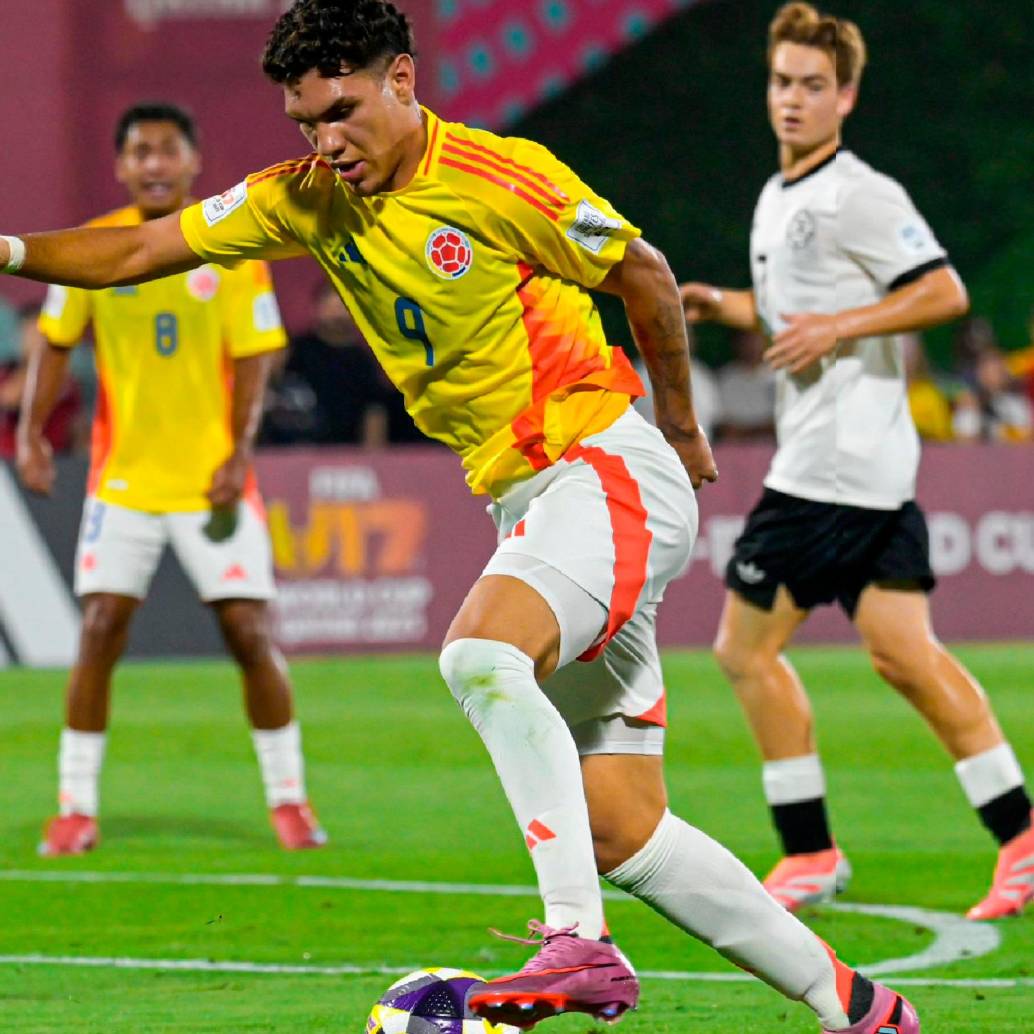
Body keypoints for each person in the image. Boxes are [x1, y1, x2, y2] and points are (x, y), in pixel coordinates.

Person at [1, 5, 920, 1031]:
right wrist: (6, 247)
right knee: (621, 827)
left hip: (600, 465)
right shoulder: (301, 201)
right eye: (306, 122)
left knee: (479, 656)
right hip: (532, 499)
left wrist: (679, 423)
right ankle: (859, 1005)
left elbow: (643, 274)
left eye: (342, 111)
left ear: (401, 78)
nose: (325, 142)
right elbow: (135, 253)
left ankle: (577, 942)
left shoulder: (497, 177)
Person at [681, 2, 1033, 923]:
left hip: (829, 471)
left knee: (742, 649)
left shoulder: (860, 193)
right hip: (868, 465)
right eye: (780, 83)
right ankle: (1024, 838)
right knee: (905, 656)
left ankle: (808, 851)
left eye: (810, 86)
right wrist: (724, 304)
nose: (791, 101)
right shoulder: (780, 194)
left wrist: (842, 325)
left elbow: (943, 290)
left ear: (846, 95)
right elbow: (797, 306)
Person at [14, 102, 326, 856]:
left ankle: (290, 802)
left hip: (212, 480)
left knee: (250, 634)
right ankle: (75, 807)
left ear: (192, 162)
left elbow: (256, 355)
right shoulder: (95, 249)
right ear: (121, 166)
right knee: (98, 633)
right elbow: (54, 343)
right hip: (123, 484)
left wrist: (239, 452)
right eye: (140, 153)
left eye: (167, 151)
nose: (153, 164)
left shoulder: (230, 249)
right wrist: (29, 433)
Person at [260, 278, 421, 446]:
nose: (337, 313)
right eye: (331, 306)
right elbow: (267, 386)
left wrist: (373, 459)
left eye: (343, 306)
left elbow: (374, 412)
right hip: (290, 451)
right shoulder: (295, 352)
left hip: (344, 456)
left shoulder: (363, 363)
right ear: (317, 309)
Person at [1, 303, 84, 458]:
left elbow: (76, 425)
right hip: (7, 464)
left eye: (40, 333)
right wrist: (39, 359)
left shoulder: (67, 381)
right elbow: (9, 398)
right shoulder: (6, 372)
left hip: (55, 462)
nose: (35, 339)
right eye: (30, 333)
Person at [716, 328, 777, 441]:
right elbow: (723, 427)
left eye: (756, 340)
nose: (751, 346)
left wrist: (749, 430)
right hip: (734, 449)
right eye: (746, 340)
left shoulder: (778, 375)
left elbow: (778, 424)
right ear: (736, 343)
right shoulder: (725, 378)